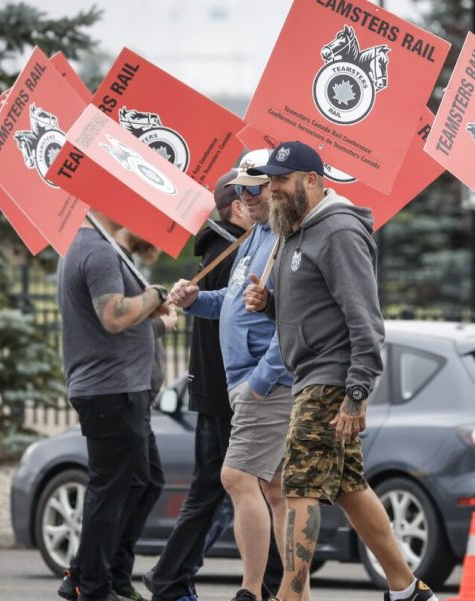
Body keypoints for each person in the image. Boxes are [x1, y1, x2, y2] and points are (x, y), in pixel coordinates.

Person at [243, 141, 438, 601]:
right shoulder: (297, 231)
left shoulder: (339, 233)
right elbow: (315, 311)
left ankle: (290, 597)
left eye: (280, 181)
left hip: (331, 378)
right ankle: (408, 589)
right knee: (349, 486)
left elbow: (364, 316)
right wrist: (270, 304)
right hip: (314, 372)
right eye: (268, 181)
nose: (271, 189)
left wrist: (357, 390)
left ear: (311, 180)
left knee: (298, 488)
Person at [168, 149, 298, 601]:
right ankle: (289, 592)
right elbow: (233, 299)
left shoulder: (283, 237)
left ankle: (252, 591)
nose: (244, 197)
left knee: (237, 479)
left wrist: (262, 380)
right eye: (239, 188)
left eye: (253, 187)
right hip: (248, 380)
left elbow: (294, 318)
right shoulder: (258, 236)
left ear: (275, 188)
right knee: (276, 489)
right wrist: (194, 300)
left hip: (262, 382)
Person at [146, 170, 255, 601]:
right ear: (237, 207)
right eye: (252, 196)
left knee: (219, 489)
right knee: (220, 489)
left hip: (214, 384)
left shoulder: (227, 246)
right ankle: (171, 578)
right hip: (223, 385)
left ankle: (172, 576)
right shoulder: (229, 251)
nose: (260, 201)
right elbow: (236, 315)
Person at [56, 210, 170, 601]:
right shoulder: (99, 251)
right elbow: (112, 316)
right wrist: (154, 295)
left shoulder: (94, 248)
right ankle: (92, 586)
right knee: (109, 492)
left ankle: (106, 575)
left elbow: (115, 320)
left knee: (144, 480)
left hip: (122, 389)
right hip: (111, 391)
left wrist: (152, 315)